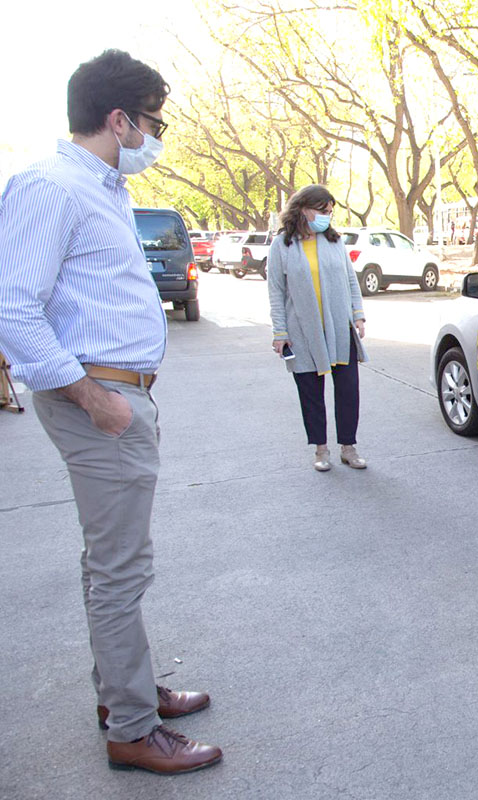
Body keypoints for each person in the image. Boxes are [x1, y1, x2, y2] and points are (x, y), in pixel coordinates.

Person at [0, 50, 221, 774]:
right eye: (153, 121)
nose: (157, 137)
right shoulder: (51, 187)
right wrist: (97, 400)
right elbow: (14, 311)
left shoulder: (100, 188)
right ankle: (132, 727)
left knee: (109, 565)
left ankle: (122, 691)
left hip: (119, 393)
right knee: (122, 569)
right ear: (118, 118)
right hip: (98, 398)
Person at [268, 185, 368, 471]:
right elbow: (276, 291)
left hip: (339, 326)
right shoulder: (282, 245)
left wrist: (358, 315)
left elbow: (351, 280)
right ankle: (320, 450)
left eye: (330, 212)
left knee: (348, 389)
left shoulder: (334, 241)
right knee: (311, 392)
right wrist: (280, 333)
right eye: (322, 211)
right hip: (303, 330)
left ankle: (348, 447)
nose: (327, 217)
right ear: (303, 208)